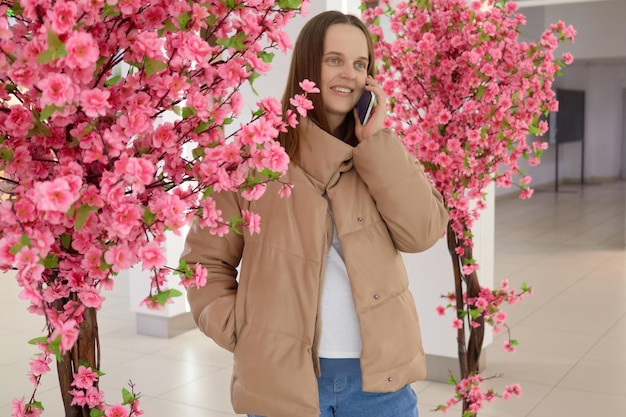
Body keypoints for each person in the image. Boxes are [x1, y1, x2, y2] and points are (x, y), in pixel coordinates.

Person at [180, 10, 449, 417]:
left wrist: (375, 141)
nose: (349, 74)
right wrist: (245, 330)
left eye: (360, 64)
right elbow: (203, 262)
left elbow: (424, 232)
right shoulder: (254, 158)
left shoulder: (378, 154)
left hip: (379, 385)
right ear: (308, 64)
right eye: (334, 59)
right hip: (282, 383)